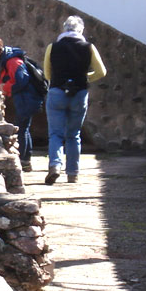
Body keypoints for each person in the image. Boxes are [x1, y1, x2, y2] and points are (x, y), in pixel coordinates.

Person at [42, 16, 107, 185]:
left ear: (64, 29)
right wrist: (84, 78)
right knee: (74, 135)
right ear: (81, 30)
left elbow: (48, 75)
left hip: (57, 92)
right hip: (79, 93)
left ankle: (55, 166)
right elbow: (101, 72)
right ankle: (72, 174)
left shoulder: (53, 47)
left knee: (55, 134)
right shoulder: (89, 47)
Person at [0, 36, 44, 171]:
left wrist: (5, 88)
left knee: (21, 128)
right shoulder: (2, 61)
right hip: (23, 98)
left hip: (28, 97)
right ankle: (26, 161)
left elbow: (22, 79)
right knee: (23, 127)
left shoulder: (12, 61)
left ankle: (24, 161)